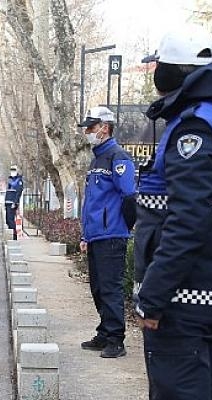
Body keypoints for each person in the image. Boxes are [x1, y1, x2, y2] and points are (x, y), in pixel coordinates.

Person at [134, 25, 212, 399]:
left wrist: (152, 299)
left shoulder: (196, 129)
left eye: (159, 65)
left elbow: (187, 223)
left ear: (174, 70)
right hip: (210, 295)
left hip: (182, 302)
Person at [76, 106, 137, 358]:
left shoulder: (117, 156)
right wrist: (85, 235)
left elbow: (130, 196)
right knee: (98, 288)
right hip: (95, 236)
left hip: (112, 235)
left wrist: (123, 227)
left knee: (110, 288)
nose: (88, 132)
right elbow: (92, 200)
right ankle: (104, 332)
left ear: (105, 127)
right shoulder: (97, 158)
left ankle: (116, 340)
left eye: (91, 127)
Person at [4, 165, 23, 240]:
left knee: (11, 220)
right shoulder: (10, 179)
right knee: (8, 220)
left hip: (12, 203)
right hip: (8, 203)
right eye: (11, 170)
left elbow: (18, 192)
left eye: (14, 170)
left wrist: (15, 203)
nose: (12, 171)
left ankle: (14, 237)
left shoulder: (19, 180)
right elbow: (8, 192)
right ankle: (11, 235)